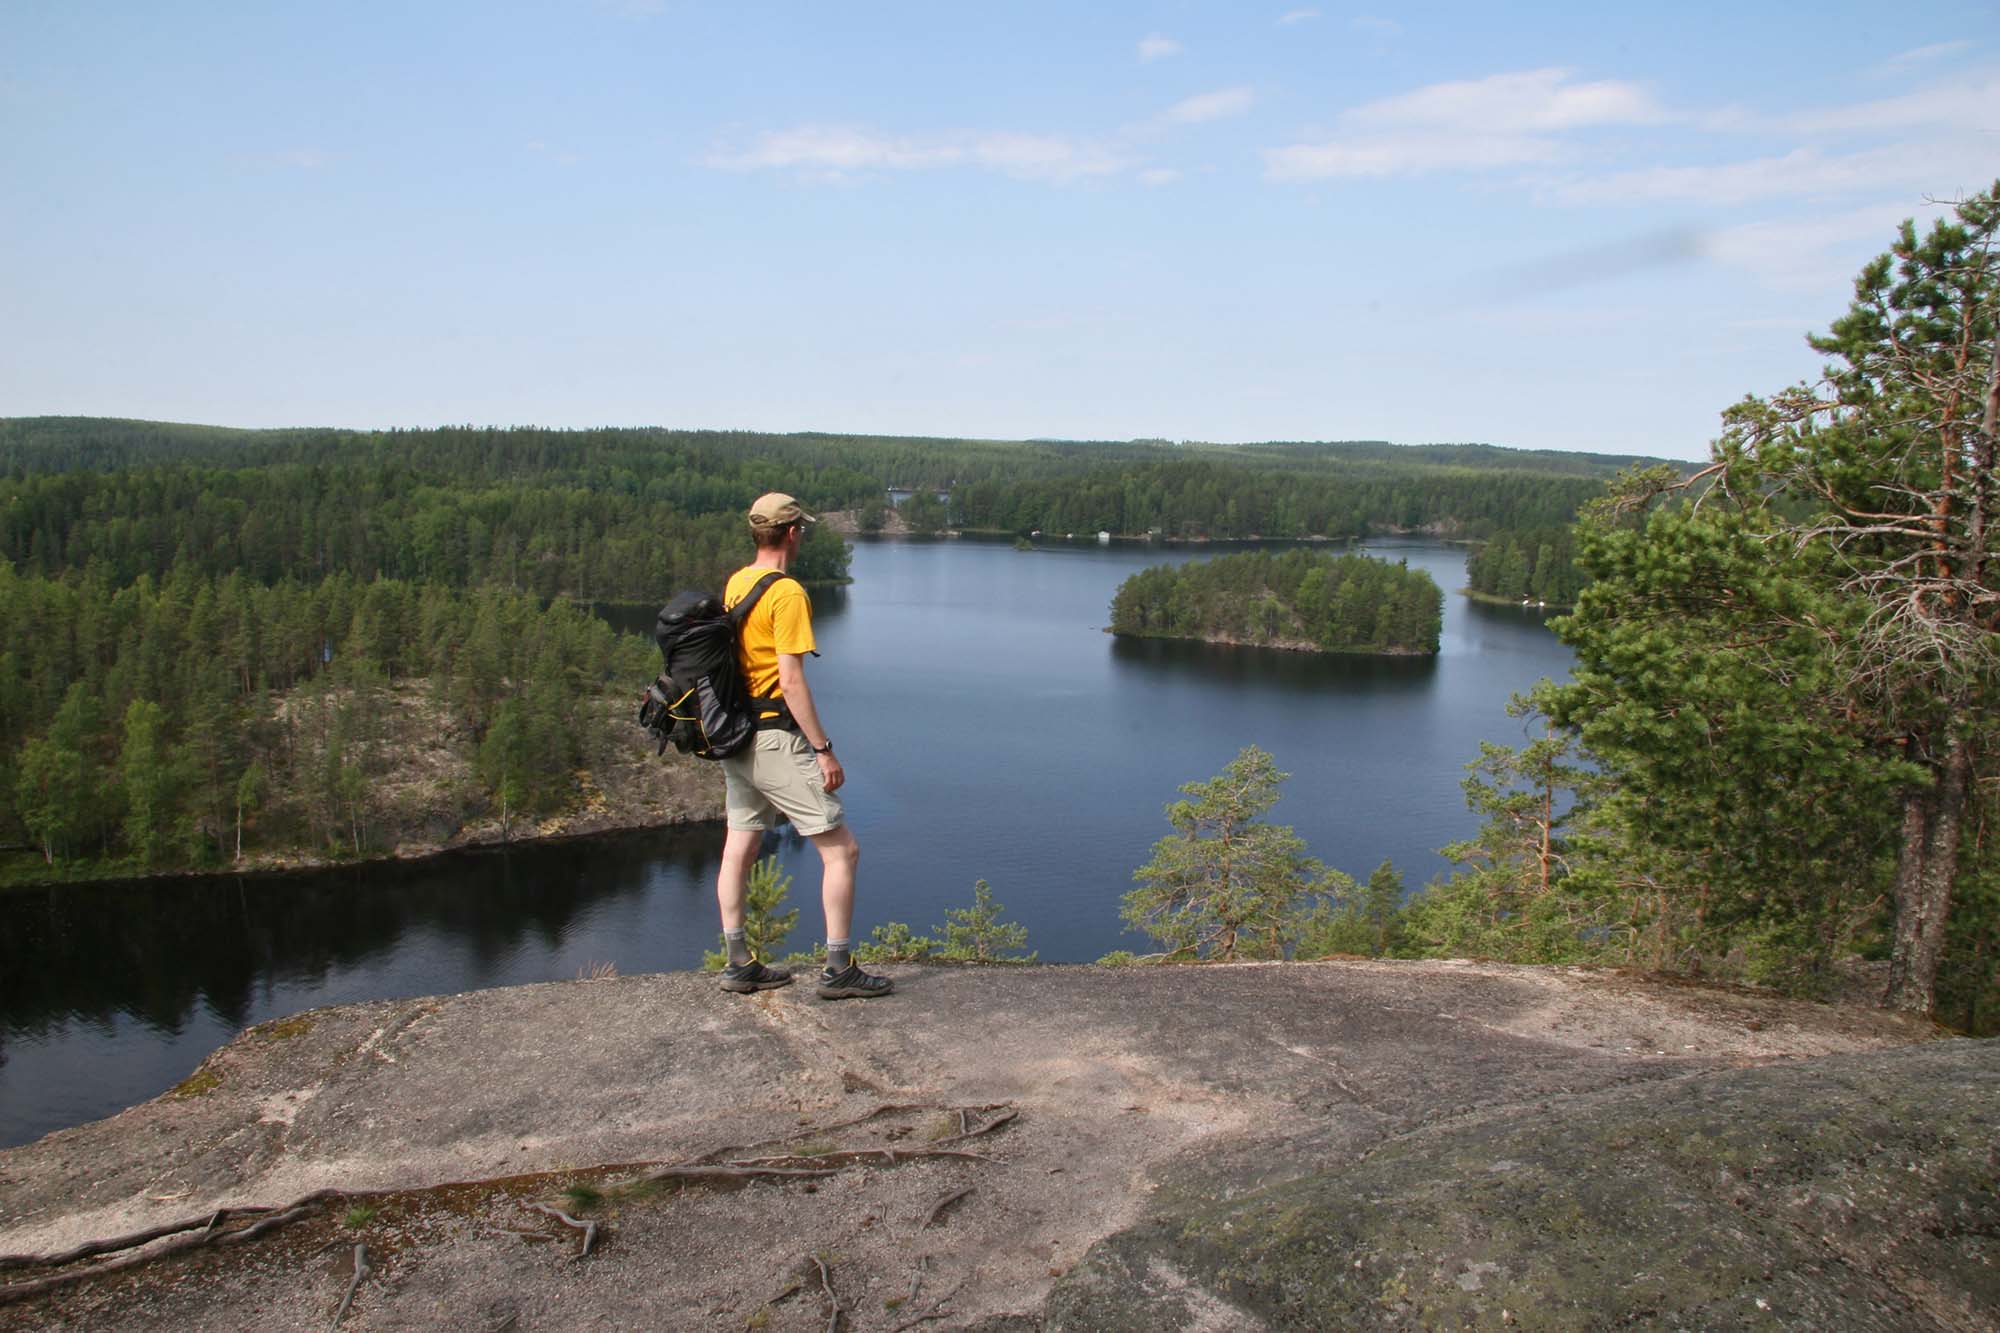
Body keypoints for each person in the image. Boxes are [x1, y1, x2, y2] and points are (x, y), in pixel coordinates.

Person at [714, 492, 893, 1000]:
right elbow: (791, 681)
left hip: (736, 736)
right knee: (842, 850)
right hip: (775, 740)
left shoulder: (738, 581)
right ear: (792, 533)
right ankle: (839, 967)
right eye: (803, 530)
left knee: (740, 847)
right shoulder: (787, 592)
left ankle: (738, 962)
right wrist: (823, 748)